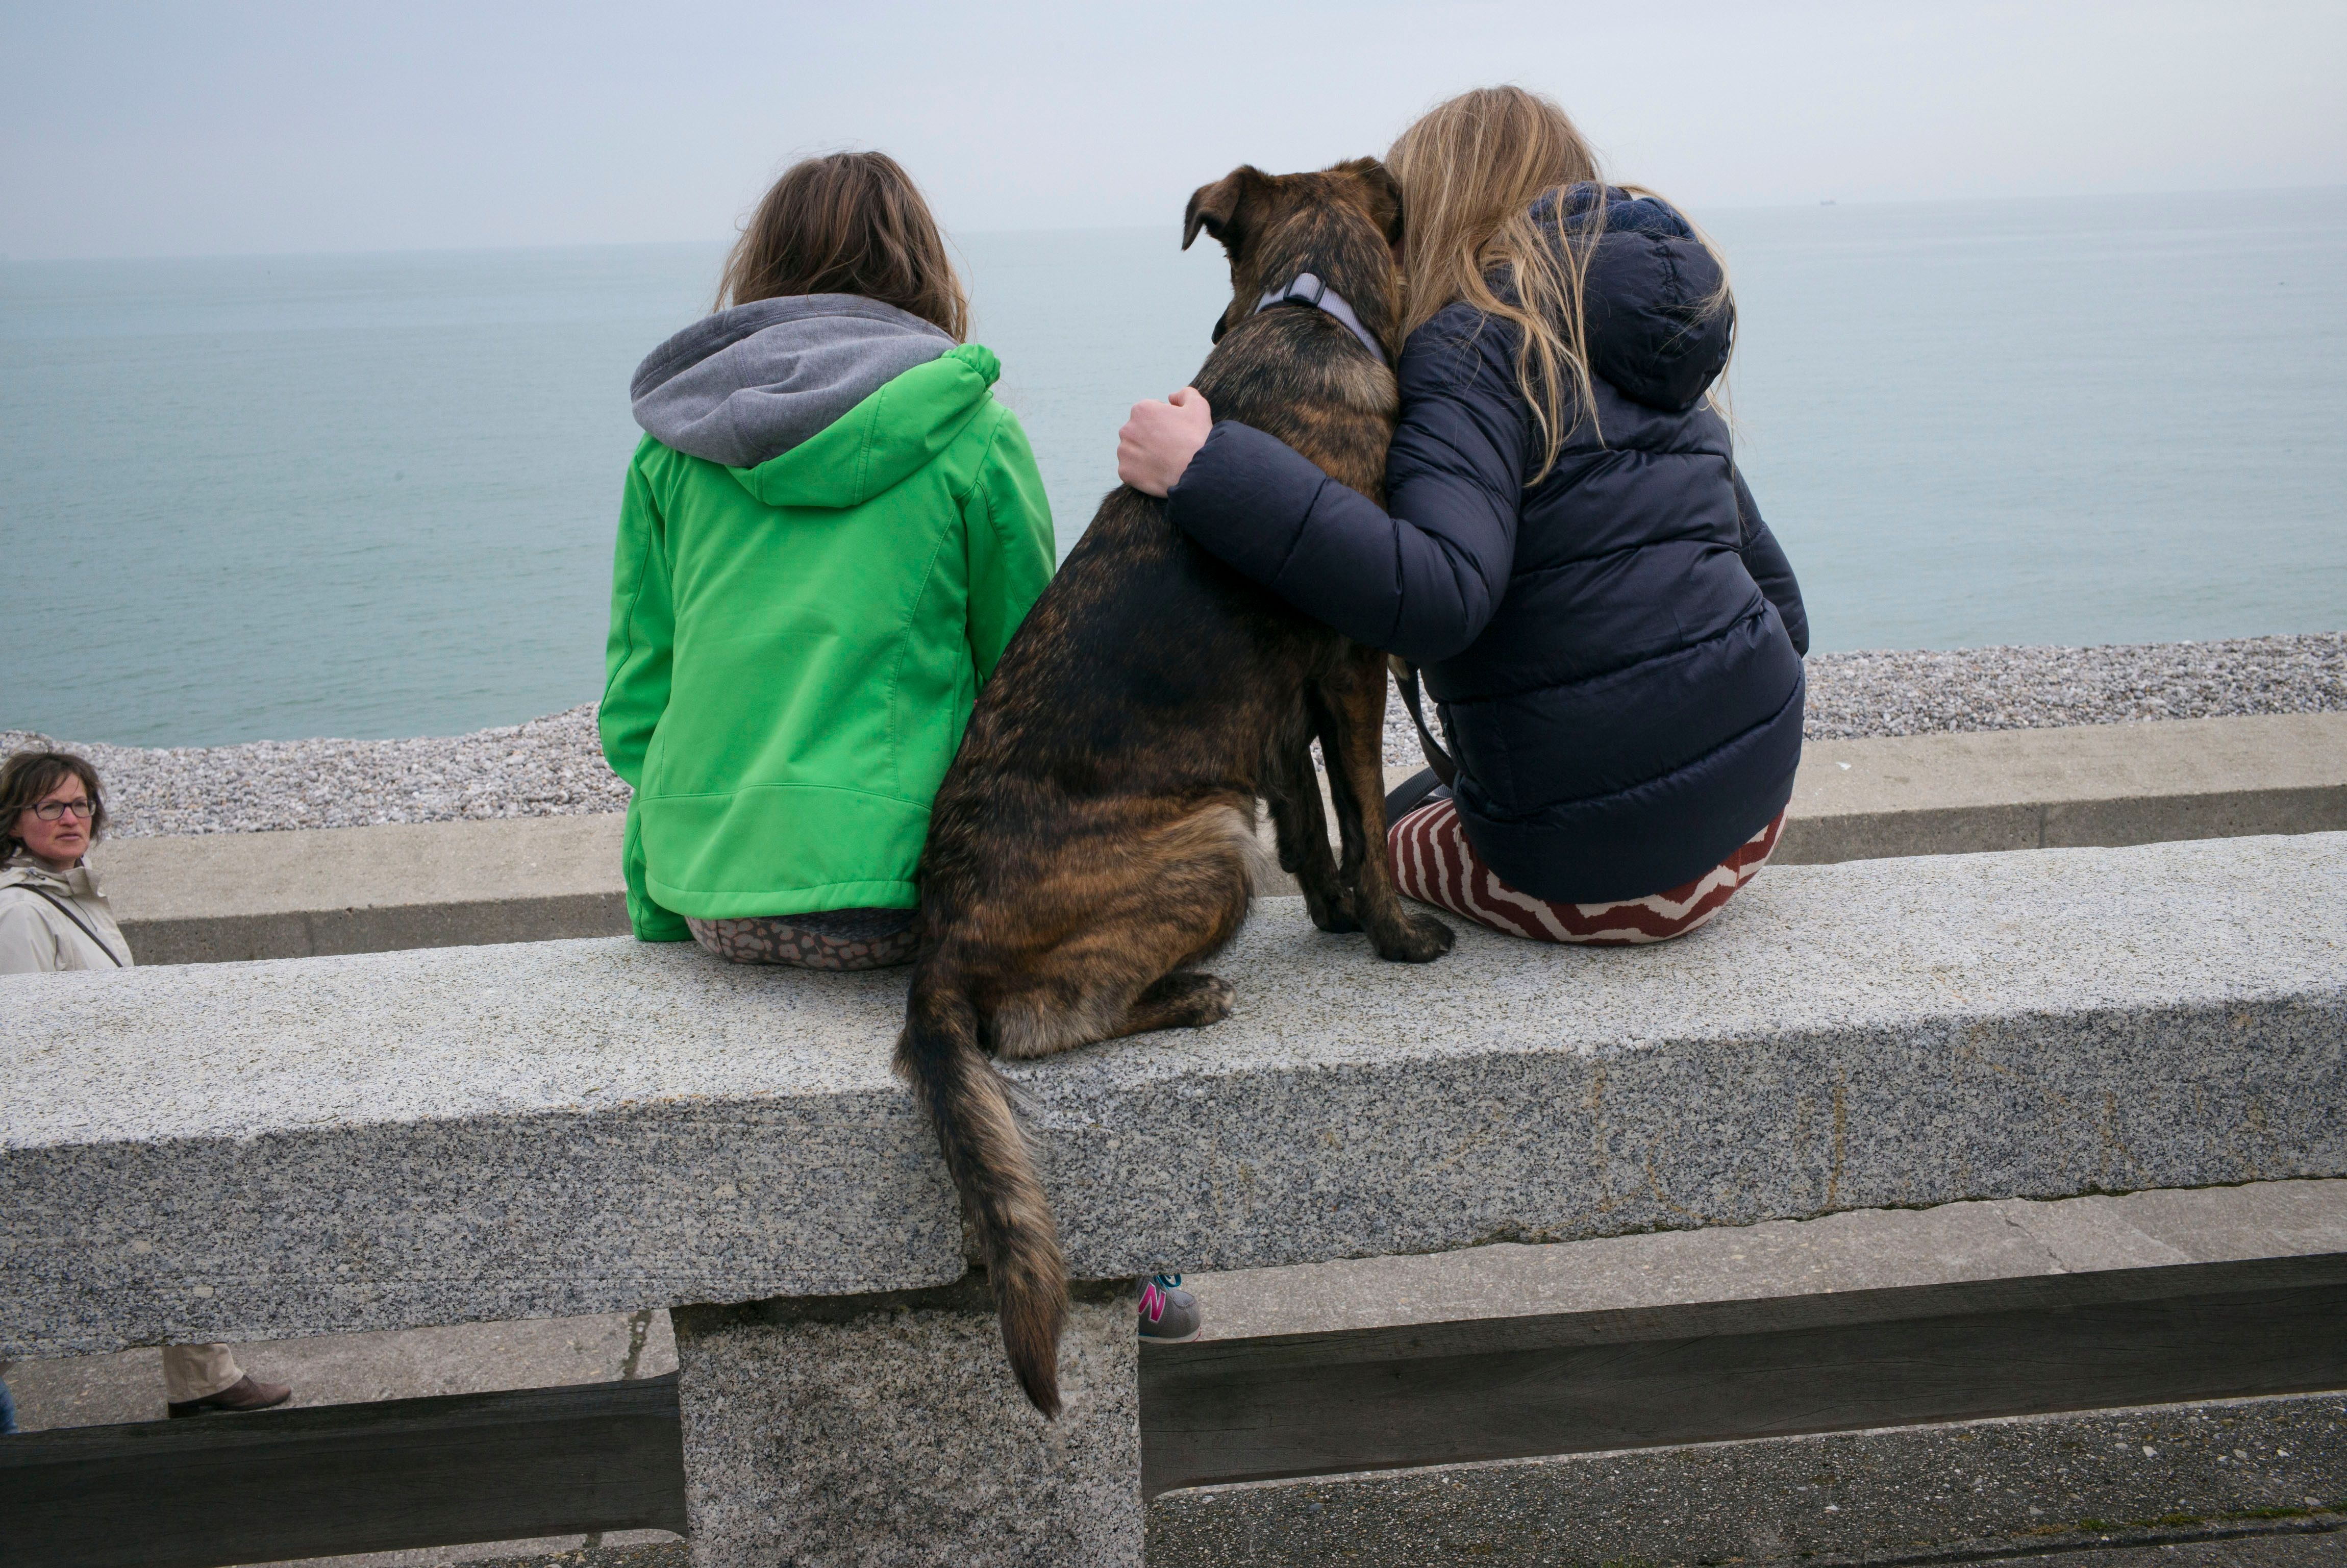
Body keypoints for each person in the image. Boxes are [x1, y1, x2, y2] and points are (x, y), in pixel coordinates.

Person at [1118, 87, 1807, 945]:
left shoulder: (1469, 345)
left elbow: (1438, 595)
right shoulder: (1633, 345)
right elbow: (1783, 602)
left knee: (1397, 830)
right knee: (1423, 790)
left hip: (1603, 879)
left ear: (1433, 216)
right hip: (1756, 810)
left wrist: (1207, 468)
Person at [601, 151, 1056, 974]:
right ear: (923, 271)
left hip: (713, 902)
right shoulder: (974, 433)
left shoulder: (671, 446)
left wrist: (672, 877)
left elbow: (637, 704)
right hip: (904, 892)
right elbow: (1030, 682)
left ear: (764, 267)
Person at [0, 748, 294, 1417]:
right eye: (51, 806)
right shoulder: (20, 913)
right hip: (70, 1125)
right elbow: (21, 1041)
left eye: (81, 804)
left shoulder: (73, 892)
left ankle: (205, 1379)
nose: (71, 817)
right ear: (17, 820)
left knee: (174, 1226)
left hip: (110, 1108)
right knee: (44, 1273)